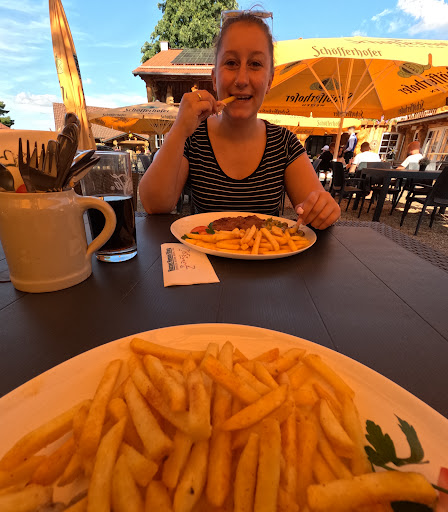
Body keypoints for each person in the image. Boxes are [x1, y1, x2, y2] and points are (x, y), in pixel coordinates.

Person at [139, 12, 340, 230]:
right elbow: (154, 205)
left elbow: (314, 212)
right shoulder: (192, 138)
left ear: (269, 81)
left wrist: (323, 209)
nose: (242, 80)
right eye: (231, 63)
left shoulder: (285, 144)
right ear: (214, 79)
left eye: (255, 64)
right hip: (202, 251)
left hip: (266, 253)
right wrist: (179, 129)